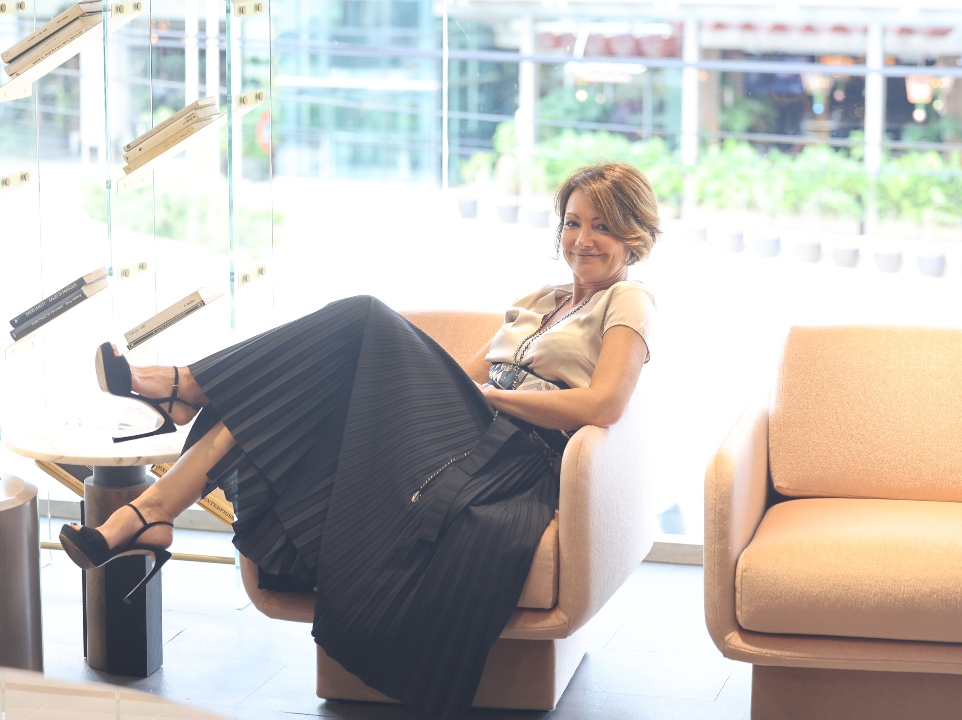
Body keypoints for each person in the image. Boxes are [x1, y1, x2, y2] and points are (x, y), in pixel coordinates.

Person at [59, 162, 658, 718]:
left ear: (633, 236)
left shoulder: (628, 299)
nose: (582, 239)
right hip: (469, 426)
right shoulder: (538, 301)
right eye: (573, 222)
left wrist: (494, 398)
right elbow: (464, 377)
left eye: (602, 226)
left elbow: (604, 404)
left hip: (513, 454)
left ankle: (185, 390)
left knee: (364, 316)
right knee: (292, 394)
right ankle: (153, 509)